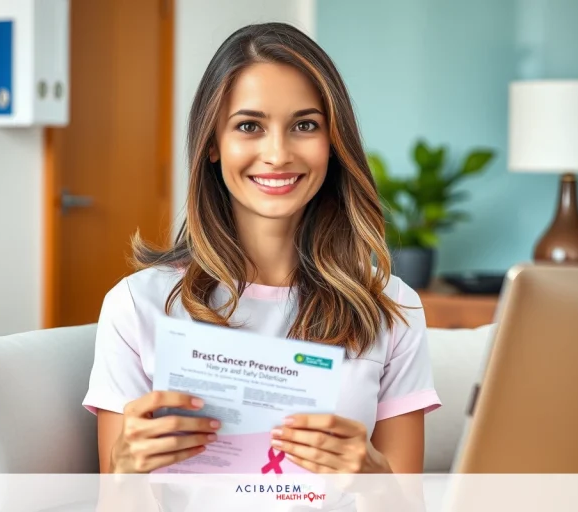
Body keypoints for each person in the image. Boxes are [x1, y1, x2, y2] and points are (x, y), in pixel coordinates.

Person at [82, 22, 441, 477]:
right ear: (213, 143)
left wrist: (374, 478)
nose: (277, 154)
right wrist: (125, 472)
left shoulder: (393, 307)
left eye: (304, 126)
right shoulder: (136, 305)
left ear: (333, 143)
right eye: (249, 126)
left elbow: (405, 504)